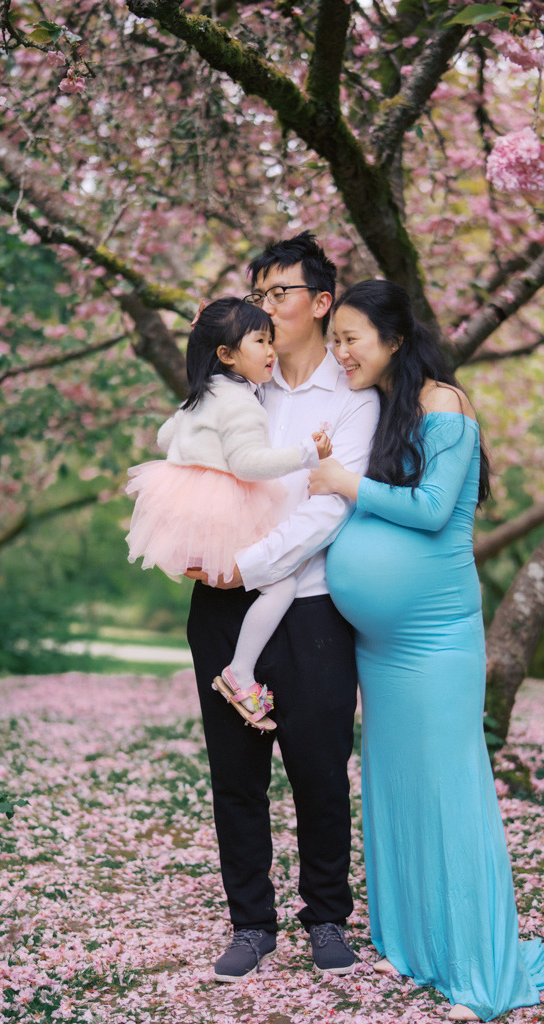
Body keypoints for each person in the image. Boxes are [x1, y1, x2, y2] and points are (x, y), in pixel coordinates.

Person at [309, 280, 544, 1021]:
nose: (339, 353)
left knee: (448, 793)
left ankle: (479, 970)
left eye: (350, 339)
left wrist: (346, 483)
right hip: (382, 647)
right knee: (397, 788)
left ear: (395, 339)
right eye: (333, 340)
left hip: (434, 641)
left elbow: (434, 511)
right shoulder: (383, 410)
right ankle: (421, 945)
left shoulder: (444, 405)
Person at [184, 234, 380, 980]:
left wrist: (249, 565)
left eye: (278, 294)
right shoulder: (234, 385)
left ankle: (326, 917)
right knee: (235, 772)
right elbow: (191, 466)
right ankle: (250, 924)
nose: (264, 308)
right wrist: (199, 550)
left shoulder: (354, 398)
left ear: (321, 303)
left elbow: (329, 507)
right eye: (256, 295)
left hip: (312, 605)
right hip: (220, 603)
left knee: (320, 769)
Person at [125, 298, 332, 730]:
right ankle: (240, 671)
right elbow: (247, 465)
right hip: (222, 510)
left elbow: (165, 438)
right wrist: (305, 454)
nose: (271, 351)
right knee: (282, 585)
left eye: (271, 340)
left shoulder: (203, 393)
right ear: (226, 354)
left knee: (244, 582)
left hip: (188, 508)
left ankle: (240, 670)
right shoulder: (241, 402)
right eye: (260, 341)